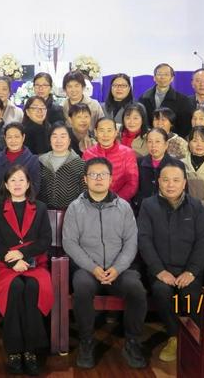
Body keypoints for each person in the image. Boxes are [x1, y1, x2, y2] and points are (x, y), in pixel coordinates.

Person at [62, 158, 147, 370]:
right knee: (81, 287)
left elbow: (131, 242)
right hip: (88, 269)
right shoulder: (75, 208)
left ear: (111, 179)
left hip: (120, 269)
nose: (98, 179)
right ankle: (86, 341)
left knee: (136, 289)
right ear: (85, 179)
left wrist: (117, 268)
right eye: (93, 175)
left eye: (103, 175)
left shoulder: (124, 207)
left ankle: (133, 342)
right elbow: (70, 243)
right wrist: (93, 268)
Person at [137, 159, 204, 363]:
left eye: (176, 180)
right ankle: (174, 337)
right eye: (166, 180)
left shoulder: (197, 207)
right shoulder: (148, 205)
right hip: (161, 271)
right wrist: (159, 271)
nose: (171, 184)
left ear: (184, 182)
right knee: (162, 291)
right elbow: (144, 240)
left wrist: (191, 272)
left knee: (190, 295)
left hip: (190, 271)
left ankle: (195, 339)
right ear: (158, 182)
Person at [0, 167, 54, 375]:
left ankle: (31, 350)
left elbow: (45, 240)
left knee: (33, 286)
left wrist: (23, 254)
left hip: (34, 263)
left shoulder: (40, 207)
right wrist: (12, 262)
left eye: (21, 180)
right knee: (15, 287)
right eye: (12, 180)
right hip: (5, 265)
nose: (17, 184)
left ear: (28, 184)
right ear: (6, 185)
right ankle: (14, 350)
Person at [82, 117, 138, 203]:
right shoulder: (88, 154)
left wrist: (115, 201)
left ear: (116, 132)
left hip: (119, 204)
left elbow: (132, 184)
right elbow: (84, 181)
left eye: (109, 130)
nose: (105, 135)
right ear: (96, 132)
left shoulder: (128, 153)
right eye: (101, 130)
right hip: (92, 203)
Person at [138, 63, 193, 138]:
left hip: (172, 141)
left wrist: (173, 139)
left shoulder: (182, 100)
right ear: (154, 77)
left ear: (172, 78)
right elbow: (142, 122)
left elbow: (185, 126)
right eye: (159, 74)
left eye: (166, 74)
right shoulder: (144, 98)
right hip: (150, 141)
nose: (162, 77)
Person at [38, 123, 86, 209]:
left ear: (69, 140)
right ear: (50, 140)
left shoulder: (80, 164)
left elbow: (85, 193)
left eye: (63, 136)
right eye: (54, 136)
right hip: (44, 213)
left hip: (71, 213)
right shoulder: (40, 162)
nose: (58, 140)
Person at [135, 128, 178, 208]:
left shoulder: (177, 165)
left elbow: (182, 194)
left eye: (157, 141)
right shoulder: (139, 163)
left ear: (166, 144)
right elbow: (135, 189)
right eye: (150, 142)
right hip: (143, 209)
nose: (153, 145)